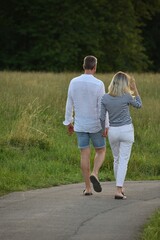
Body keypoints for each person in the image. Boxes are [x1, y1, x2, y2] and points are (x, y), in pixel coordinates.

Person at [63, 55, 109, 196]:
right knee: (100, 151)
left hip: (80, 125)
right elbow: (102, 106)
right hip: (95, 124)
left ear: (83, 66)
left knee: (84, 153)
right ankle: (94, 173)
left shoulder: (73, 82)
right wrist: (106, 125)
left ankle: (88, 188)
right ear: (94, 67)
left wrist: (68, 122)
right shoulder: (99, 84)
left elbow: (69, 103)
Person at [100, 71, 142, 199]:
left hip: (113, 131)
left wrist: (103, 129)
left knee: (117, 159)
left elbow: (102, 117)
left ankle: (120, 187)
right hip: (126, 131)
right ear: (125, 83)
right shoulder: (127, 96)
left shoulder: (105, 97)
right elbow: (139, 105)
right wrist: (135, 90)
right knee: (123, 160)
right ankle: (119, 190)